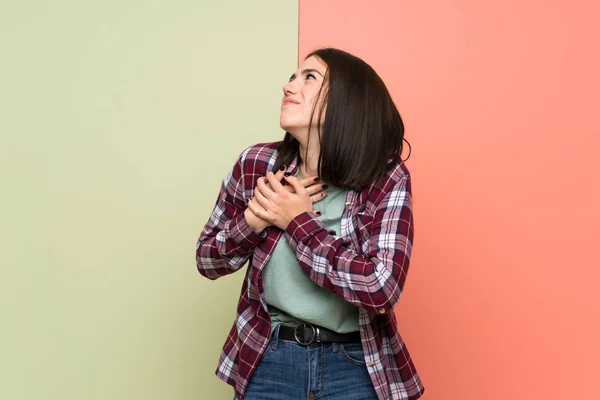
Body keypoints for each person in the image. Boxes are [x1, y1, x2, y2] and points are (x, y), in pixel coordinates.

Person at [196, 48, 424, 400]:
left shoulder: (386, 176)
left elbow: (381, 288)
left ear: (347, 101)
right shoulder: (257, 164)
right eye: (292, 77)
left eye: (309, 77)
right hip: (269, 359)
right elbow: (207, 261)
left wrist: (298, 221)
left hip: (355, 366)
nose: (289, 87)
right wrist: (253, 219)